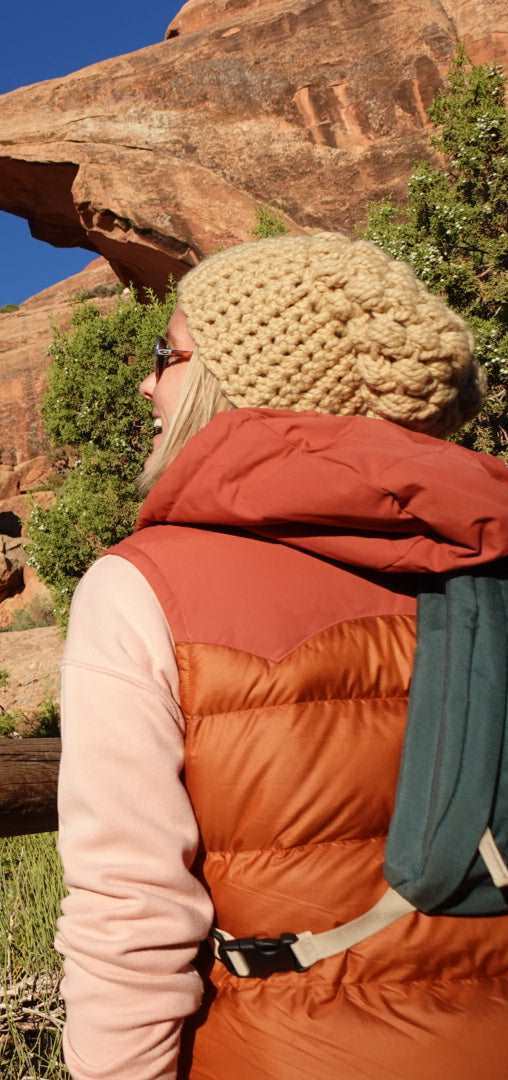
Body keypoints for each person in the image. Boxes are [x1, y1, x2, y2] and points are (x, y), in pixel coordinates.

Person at [54, 232, 508, 1080]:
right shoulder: (492, 551)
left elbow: (130, 922)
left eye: (170, 353)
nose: (148, 381)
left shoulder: (144, 587)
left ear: (245, 385)